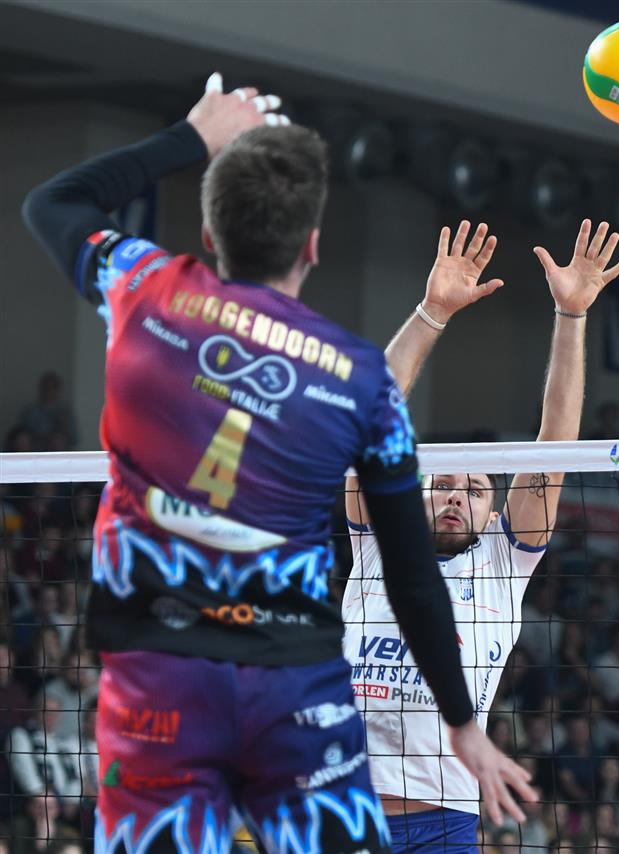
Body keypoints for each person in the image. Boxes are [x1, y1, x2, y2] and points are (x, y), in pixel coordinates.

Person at [21, 73, 532, 853]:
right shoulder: (356, 377)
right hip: (293, 698)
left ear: (208, 232)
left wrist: (193, 136)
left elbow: (53, 203)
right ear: (313, 246)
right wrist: (463, 724)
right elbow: (411, 575)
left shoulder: (145, 291)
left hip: (162, 680)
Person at [343, 217, 619, 852]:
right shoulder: (377, 538)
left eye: (474, 491)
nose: (455, 496)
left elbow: (554, 445)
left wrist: (572, 317)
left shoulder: (504, 559)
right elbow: (370, 415)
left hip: (439, 822)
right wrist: (431, 313)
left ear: (493, 512)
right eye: (442, 484)